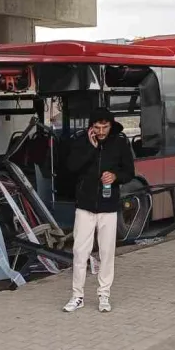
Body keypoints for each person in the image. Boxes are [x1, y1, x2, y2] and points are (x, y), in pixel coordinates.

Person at [63, 108, 136, 313]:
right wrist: (91, 148)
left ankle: (104, 295)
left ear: (111, 126)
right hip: (84, 206)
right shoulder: (81, 141)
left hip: (108, 206)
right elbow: (71, 167)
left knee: (106, 252)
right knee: (79, 252)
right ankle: (77, 296)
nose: (101, 131)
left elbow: (129, 172)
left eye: (105, 127)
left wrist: (115, 177)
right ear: (91, 127)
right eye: (97, 127)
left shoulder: (120, 142)